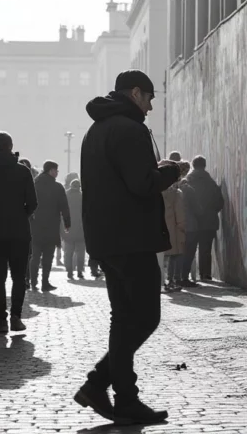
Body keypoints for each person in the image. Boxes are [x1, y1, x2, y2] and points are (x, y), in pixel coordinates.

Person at [74, 69, 180, 425]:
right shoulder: (130, 129)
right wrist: (171, 171)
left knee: (123, 319)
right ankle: (99, 384)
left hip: (106, 239)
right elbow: (141, 184)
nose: (150, 107)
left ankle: (125, 399)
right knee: (146, 317)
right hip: (132, 238)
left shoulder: (95, 130)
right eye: (150, 98)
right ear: (136, 93)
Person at [0, 131, 38, 335]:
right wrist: (21, 215)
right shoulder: (23, 172)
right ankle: (16, 317)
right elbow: (33, 202)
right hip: (20, 231)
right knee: (19, 277)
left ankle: (1, 320)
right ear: (11, 147)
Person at [181, 155, 224, 284]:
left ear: (193, 166)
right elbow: (220, 203)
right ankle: (205, 274)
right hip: (209, 222)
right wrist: (210, 212)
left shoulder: (187, 182)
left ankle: (185, 275)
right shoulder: (211, 183)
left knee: (189, 249)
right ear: (204, 166)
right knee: (206, 249)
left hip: (191, 222)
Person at [30, 160, 70, 291]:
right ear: (51, 171)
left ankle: (33, 281)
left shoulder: (34, 184)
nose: (57, 173)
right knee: (48, 256)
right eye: (56, 170)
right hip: (51, 226)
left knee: (35, 256)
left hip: (35, 226)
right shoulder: (57, 187)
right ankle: (45, 282)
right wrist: (67, 223)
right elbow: (64, 206)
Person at [162, 161, 191, 292]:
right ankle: (171, 280)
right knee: (174, 256)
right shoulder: (176, 193)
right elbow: (180, 213)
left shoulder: (157, 190)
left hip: (160, 227)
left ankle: (162, 281)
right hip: (173, 228)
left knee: (162, 258)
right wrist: (183, 227)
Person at [63, 179, 86, 280]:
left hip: (68, 228)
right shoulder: (83, 197)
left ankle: (69, 271)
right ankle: (80, 271)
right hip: (81, 229)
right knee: (80, 251)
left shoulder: (65, 196)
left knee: (68, 252)